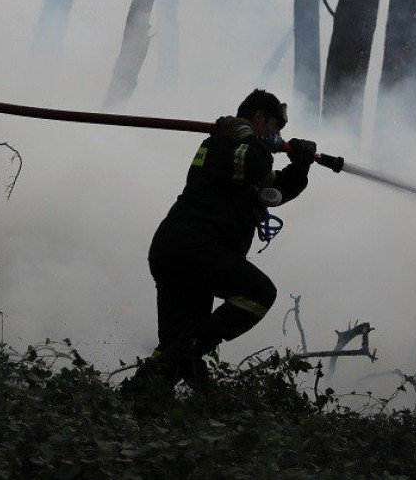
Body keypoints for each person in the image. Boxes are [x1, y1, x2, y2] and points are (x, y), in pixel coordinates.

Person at [131, 89, 318, 389]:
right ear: (258, 118)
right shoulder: (224, 143)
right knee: (259, 294)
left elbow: (277, 190)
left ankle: (142, 399)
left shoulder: (245, 154)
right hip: (192, 249)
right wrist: (245, 134)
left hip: (185, 254)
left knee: (178, 352)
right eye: (275, 127)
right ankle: (181, 358)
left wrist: (301, 164)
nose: (277, 136)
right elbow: (255, 163)